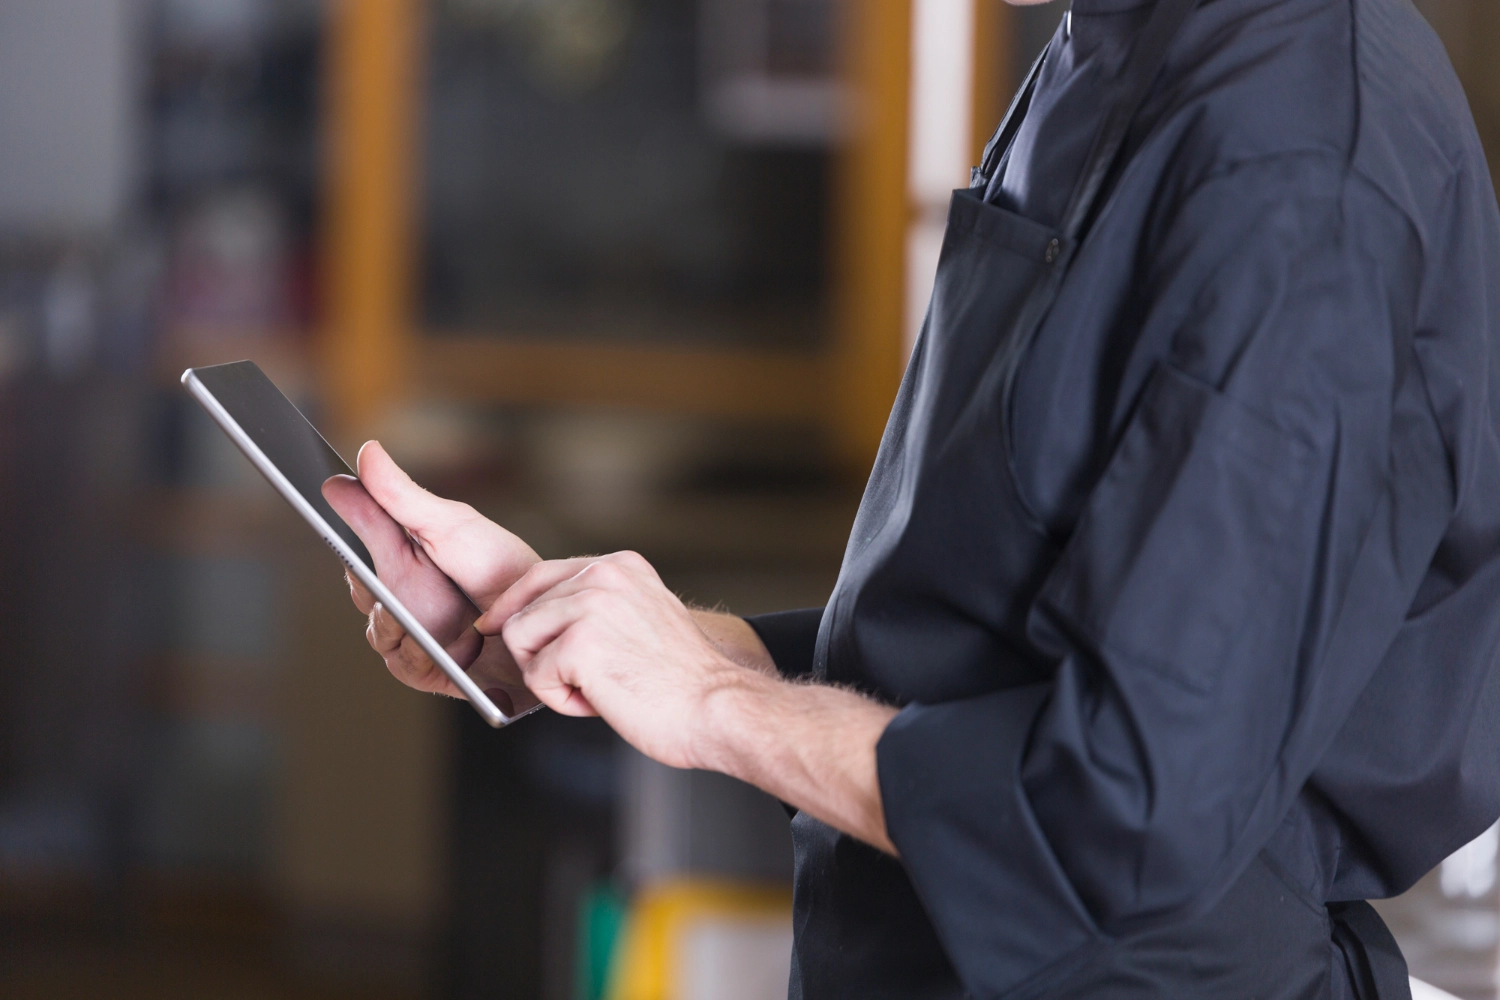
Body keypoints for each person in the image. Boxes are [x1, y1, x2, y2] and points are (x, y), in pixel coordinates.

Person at [322, 0, 1500, 995]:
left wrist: (714, 701)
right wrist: (598, 632)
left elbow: (1130, 808)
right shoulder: (1111, 42)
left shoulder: (1302, 167)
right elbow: (982, 625)